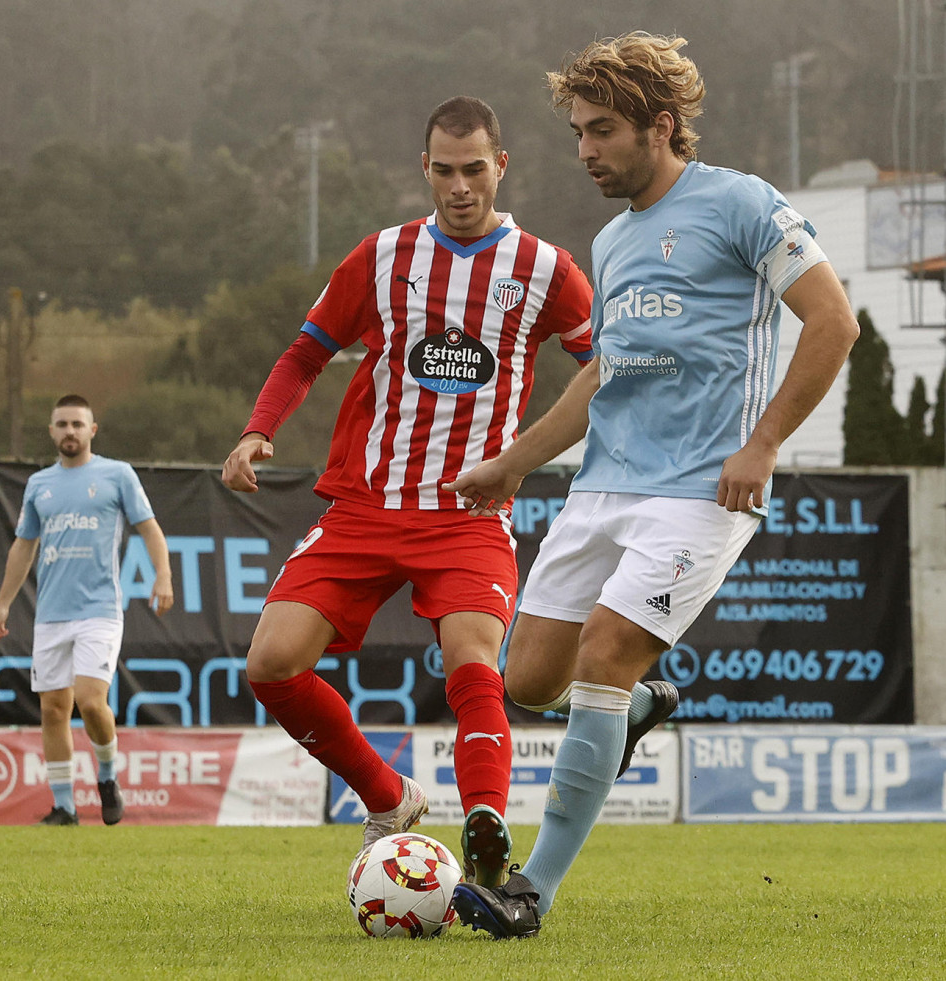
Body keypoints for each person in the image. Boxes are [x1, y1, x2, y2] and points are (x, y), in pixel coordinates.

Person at [445, 33, 860, 937]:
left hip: (700, 491)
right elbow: (602, 376)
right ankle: (634, 710)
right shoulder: (610, 238)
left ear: (661, 127)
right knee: (528, 679)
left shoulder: (742, 204)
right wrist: (514, 461)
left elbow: (834, 322)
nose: (585, 150)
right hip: (603, 489)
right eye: (578, 133)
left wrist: (761, 444)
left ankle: (529, 892)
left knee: (603, 653)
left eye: (600, 131)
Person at [221, 96, 595, 887]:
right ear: (424, 169)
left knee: (472, 661)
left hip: (469, 512)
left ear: (501, 167)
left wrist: (556, 452)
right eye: (445, 171)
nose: (460, 187)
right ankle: (389, 796)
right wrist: (259, 426)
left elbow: (605, 366)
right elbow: (304, 353)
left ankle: (486, 823)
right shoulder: (381, 256)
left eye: (474, 170)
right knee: (271, 663)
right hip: (365, 505)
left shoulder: (544, 269)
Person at [0, 394, 175, 826]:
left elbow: (150, 529)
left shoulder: (116, 475)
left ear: (92, 431)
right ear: (52, 431)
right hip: (51, 613)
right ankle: (64, 807)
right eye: (62, 424)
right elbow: (23, 546)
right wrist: (2, 604)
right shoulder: (39, 485)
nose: (69, 431)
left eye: (77, 424)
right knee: (53, 709)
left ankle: (107, 775)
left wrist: (162, 576)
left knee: (91, 702)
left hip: (100, 609)